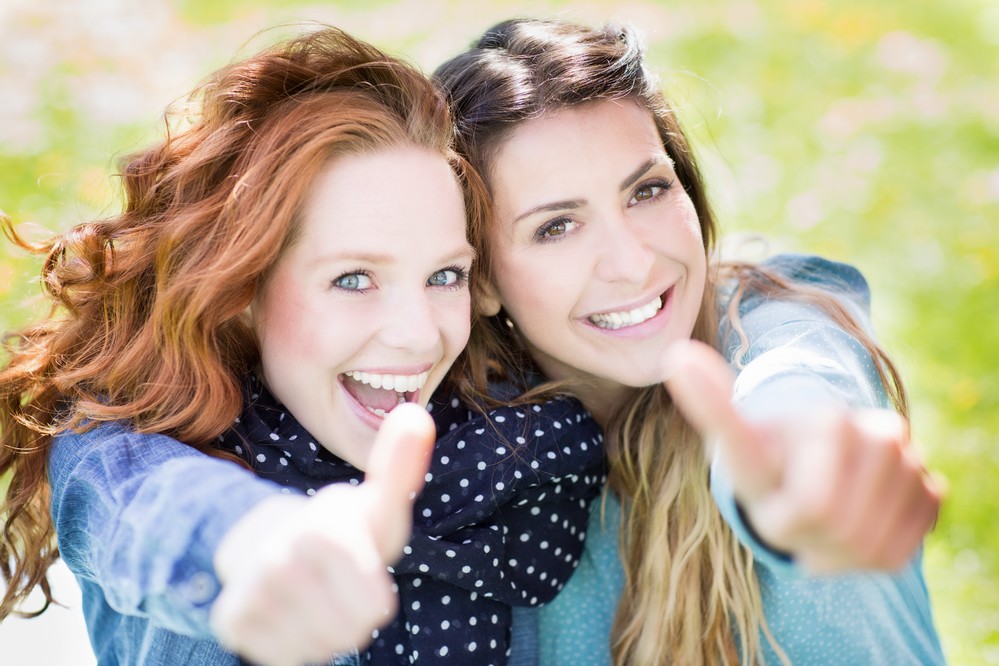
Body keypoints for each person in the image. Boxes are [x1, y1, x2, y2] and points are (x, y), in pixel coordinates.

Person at [0, 26, 605, 666]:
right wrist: (256, 540)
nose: (420, 334)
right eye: (353, 279)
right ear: (243, 289)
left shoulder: (528, 441)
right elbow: (150, 511)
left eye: (444, 275)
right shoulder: (120, 439)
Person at [434, 18, 945, 665]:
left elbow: (797, 384)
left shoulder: (781, 319)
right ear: (480, 280)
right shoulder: (476, 455)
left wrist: (795, 470)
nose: (632, 263)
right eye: (556, 226)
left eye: (646, 190)